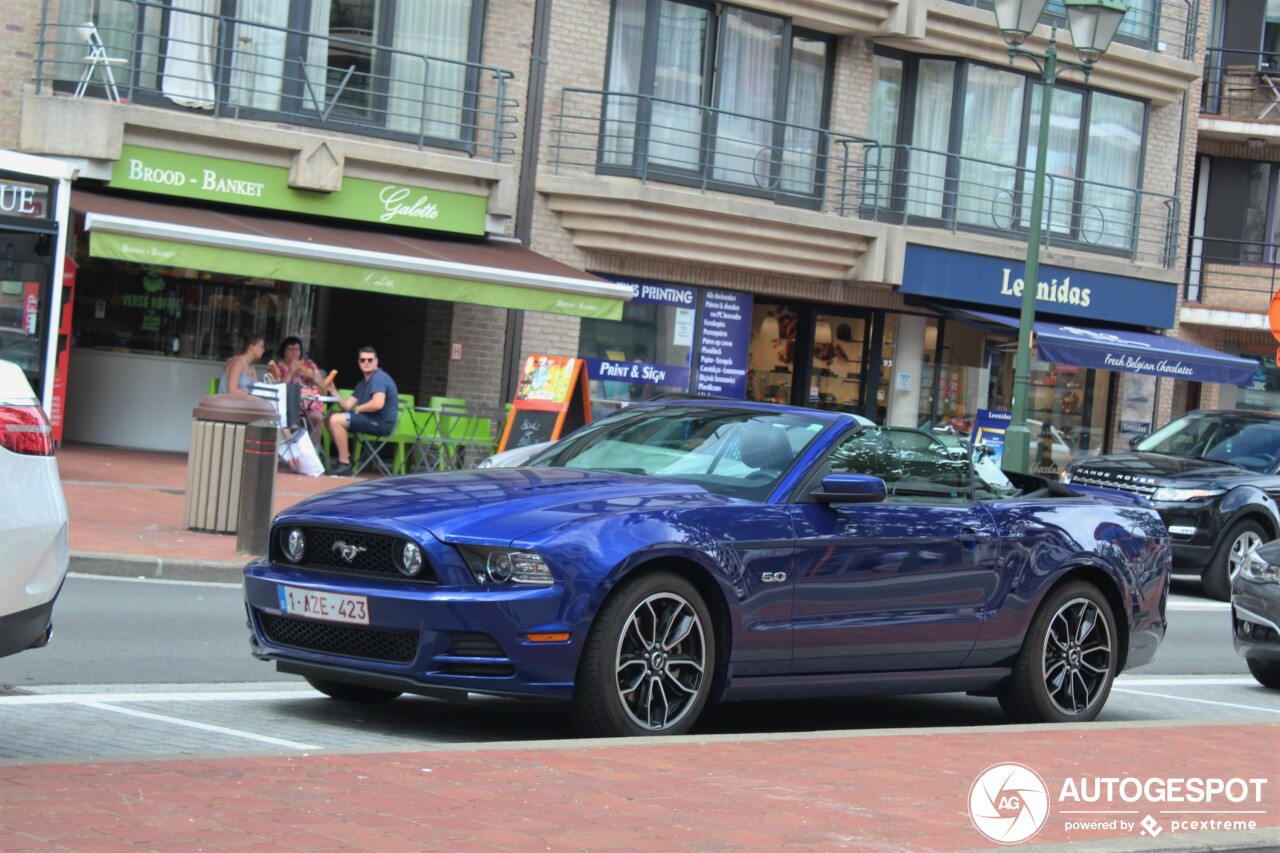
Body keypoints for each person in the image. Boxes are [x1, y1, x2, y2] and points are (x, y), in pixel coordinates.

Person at [325, 347, 398, 476]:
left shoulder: (378, 378)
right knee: (328, 417)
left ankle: (345, 464)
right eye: (363, 360)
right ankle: (346, 457)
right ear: (359, 362)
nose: (366, 363)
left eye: (370, 360)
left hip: (380, 423)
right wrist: (333, 390)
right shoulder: (363, 383)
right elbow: (347, 406)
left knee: (336, 420)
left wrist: (360, 408)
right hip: (369, 419)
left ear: (376, 361)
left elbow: (377, 403)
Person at [268, 336, 327, 443]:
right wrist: (290, 373)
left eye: (297, 349)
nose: (294, 353)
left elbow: (324, 391)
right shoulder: (276, 368)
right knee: (286, 419)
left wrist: (313, 379)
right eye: (290, 349)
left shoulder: (309, 365)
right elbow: (277, 391)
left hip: (310, 405)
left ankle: (311, 451)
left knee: (317, 418)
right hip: (288, 407)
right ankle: (291, 448)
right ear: (283, 351)